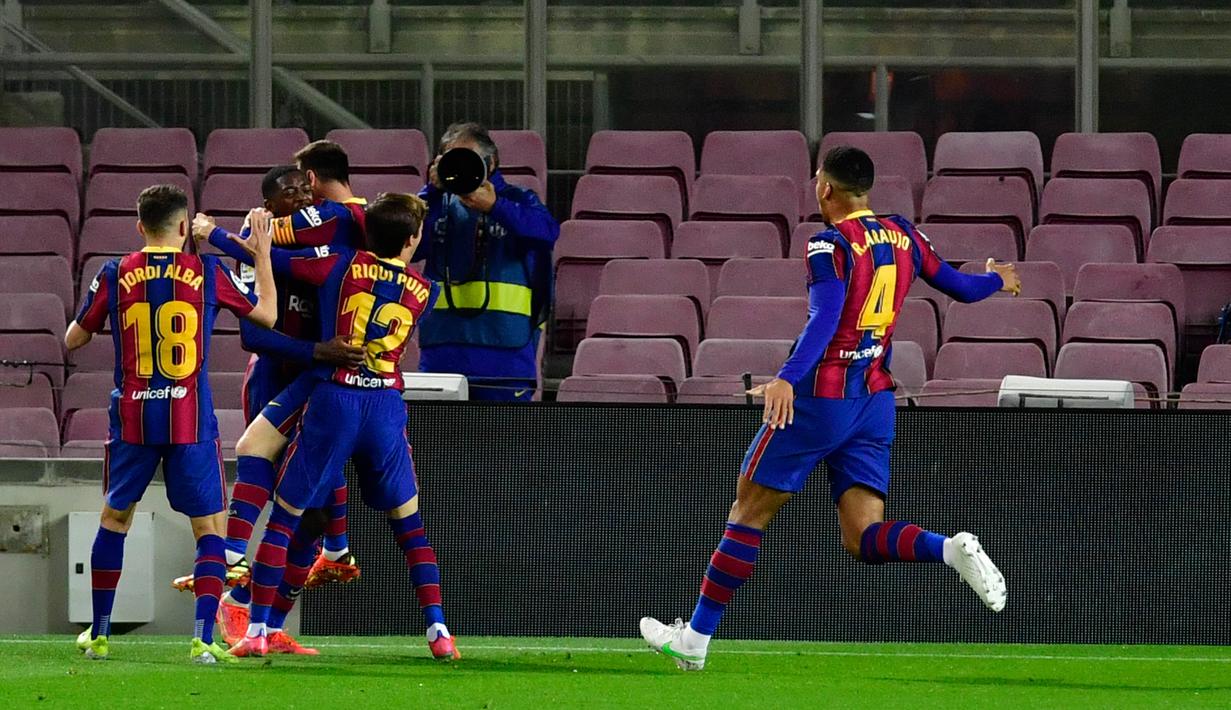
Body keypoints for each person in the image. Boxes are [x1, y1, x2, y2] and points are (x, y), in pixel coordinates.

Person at [639, 147, 1020, 671]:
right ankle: (949, 550)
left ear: (826, 188)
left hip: (821, 402)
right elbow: (963, 287)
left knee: (748, 511)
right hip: (876, 401)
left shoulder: (829, 243)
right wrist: (998, 278)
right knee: (862, 535)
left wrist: (786, 380)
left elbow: (826, 317)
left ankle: (695, 641)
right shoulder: (904, 233)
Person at [226, 193, 459, 661]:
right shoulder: (424, 289)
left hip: (335, 396)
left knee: (285, 519)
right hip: (387, 404)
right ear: (413, 240)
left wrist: (217, 234)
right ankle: (439, 630)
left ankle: (255, 627)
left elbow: (273, 257)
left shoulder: (340, 262)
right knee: (410, 527)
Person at [67, 185, 277, 664]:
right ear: (185, 227)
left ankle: (98, 634)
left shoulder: (114, 271)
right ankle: (203, 639)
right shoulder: (206, 270)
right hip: (190, 418)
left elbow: (73, 338)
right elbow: (267, 313)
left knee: (115, 519)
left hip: (133, 416)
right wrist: (261, 254)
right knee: (208, 528)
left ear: (139, 226)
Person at [173, 165, 366, 654]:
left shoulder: (318, 238)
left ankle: (264, 619)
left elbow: (328, 262)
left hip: (318, 381)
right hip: (275, 379)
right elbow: (254, 334)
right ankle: (238, 587)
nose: (301, 197)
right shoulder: (253, 244)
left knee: (315, 516)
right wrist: (318, 351)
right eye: (288, 193)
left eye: (305, 187)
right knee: (296, 500)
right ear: (268, 206)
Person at [415, 122, 559, 401]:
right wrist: (431, 193)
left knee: (502, 442)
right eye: (451, 159)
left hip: (505, 354)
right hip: (442, 351)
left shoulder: (517, 200)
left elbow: (547, 233)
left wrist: (496, 207)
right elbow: (408, 243)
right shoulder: (435, 205)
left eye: (469, 158)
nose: (461, 166)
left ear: (491, 163)